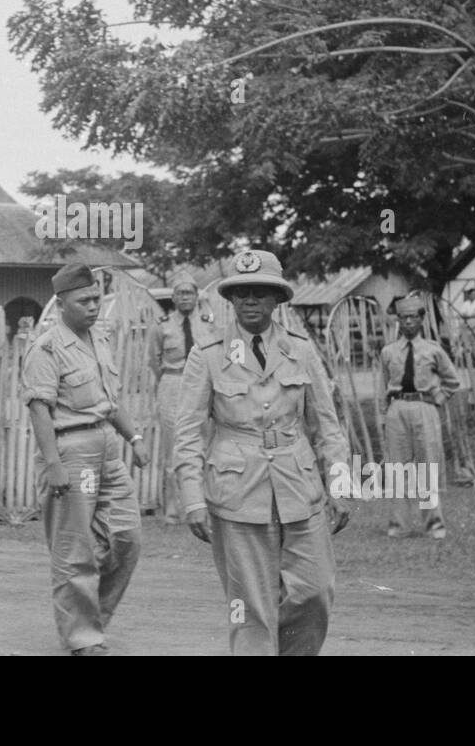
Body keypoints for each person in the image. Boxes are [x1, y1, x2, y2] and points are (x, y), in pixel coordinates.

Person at [173, 250, 352, 656]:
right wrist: (192, 499)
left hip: (300, 488)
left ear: (277, 299)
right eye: (241, 293)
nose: (250, 301)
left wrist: (339, 486)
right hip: (237, 493)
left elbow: (328, 425)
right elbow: (187, 432)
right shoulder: (208, 354)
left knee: (315, 592)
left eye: (260, 292)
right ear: (230, 300)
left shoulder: (301, 350)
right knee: (250, 608)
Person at [21, 263, 149, 656]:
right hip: (70, 450)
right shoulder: (45, 347)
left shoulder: (100, 338)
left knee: (127, 538)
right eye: (85, 300)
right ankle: (83, 638)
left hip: (107, 446)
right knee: (75, 550)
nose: (94, 306)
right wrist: (54, 463)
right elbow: (39, 409)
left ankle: (90, 618)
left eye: (97, 298)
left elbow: (109, 401)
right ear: (61, 304)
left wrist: (135, 436)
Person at [375, 294, 461, 539]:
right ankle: (398, 525)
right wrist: (384, 416)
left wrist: (438, 399)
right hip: (397, 409)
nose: (409, 322)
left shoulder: (433, 350)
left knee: (427, 466)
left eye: (413, 317)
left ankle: (433, 524)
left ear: (422, 319)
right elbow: (383, 387)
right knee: (397, 469)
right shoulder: (388, 352)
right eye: (404, 318)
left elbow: (452, 381)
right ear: (398, 321)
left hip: (425, 408)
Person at [145, 272, 212, 523]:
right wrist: (169, 379)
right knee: (173, 447)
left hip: (202, 385)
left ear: (197, 297)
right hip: (172, 381)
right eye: (180, 293)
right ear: (173, 298)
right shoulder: (162, 325)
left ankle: (201, 505)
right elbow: (153, 359)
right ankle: (173, 509)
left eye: (190, 293)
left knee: (204, 444)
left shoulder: (207, 323)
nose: (185, 297)